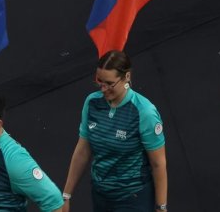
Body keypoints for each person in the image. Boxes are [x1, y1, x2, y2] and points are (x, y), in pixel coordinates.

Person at [61, 50, 168, 212]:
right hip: (100, 195)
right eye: (99, 81)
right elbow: (83, 150)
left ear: (127, 77)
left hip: (132, 198)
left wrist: (161, 207)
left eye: (110, 83)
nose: (103, 89)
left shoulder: (144, 111)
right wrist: (66, 195)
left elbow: (158, 163)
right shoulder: (92, 103)